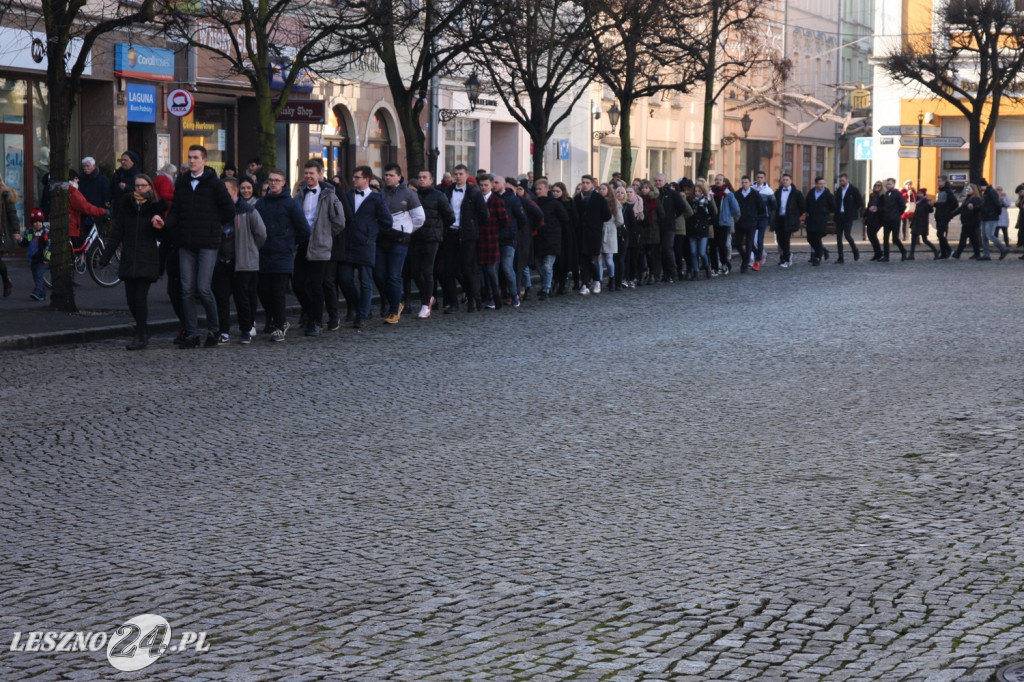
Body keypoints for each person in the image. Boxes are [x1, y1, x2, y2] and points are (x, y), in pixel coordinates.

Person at [154, 144, 235, 348]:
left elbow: (228, 211)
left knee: (203, 288)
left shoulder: (214, 184)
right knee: (186, 289)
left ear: (204, 161)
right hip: (186, 242)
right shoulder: (181, 182)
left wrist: (213, 226)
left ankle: (215, 330)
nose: (191, 161)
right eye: (189, 157)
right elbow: (176, 212)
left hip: (207, 242)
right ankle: (192, 333)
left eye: (196, 157)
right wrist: (166, 223)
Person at [97, 174, 166, 350]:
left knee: (140, 298)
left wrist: (159, 226)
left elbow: (163, 234)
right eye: (137, 186)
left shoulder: (156, 206)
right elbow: (117, 233)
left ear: (150, 187)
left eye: (143, 185)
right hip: (129, 258)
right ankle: (143, 329)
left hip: (147, 258)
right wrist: (105, 257)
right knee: (130, 299)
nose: (140, 189)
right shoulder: (127, 204)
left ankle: (140, 334)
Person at [292, 159, 346, 336]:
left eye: (311, 173)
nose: (308, 176)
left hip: (320, 244)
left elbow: (339, 222)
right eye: (306, 173)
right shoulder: (299, 193)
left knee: (317, 285)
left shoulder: (329, 195)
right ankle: (311, 312)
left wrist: (325, 234)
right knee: (298, 284)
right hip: (302, 242)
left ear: (320, 173)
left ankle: (316, 321)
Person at [256, 168, 308, 340]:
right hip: (264, 253)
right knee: (263, 291)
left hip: (283, 254)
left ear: (284, 183)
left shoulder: (291, 203)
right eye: (271, 180)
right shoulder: (261, 204)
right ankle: (276, 319)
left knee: (278, 292)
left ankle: (280, 324)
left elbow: (304, 230)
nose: (273, 183)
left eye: (277, 180)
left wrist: (289, 243)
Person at [340, 165, 391, 327]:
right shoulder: (348, 196)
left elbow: (387, 222)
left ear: (366, 179)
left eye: (357, 177)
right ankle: (359, 305)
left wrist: (372, 233)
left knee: (365, 282)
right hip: (348, 244)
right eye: (353, 177)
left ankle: (361, 316)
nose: (353, 180)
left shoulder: (376, 198)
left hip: (366, 245)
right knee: (345, 279)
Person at [220, 177, 266, 344]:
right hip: (222, 259)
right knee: (222, 296)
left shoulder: (247, 210)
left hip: (242, 260)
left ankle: (245, 329)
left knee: (242, 296)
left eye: (225, 190)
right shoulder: (218, 209)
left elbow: (261, 233)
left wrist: (250, 249)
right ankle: (223, 330)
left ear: (234, 191)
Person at [376, 163, 424, 323]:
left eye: (391, 175)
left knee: (394, 275)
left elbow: (419, 218)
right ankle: (396, 303)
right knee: (380, 275)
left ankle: (393, 310)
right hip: (382, 239)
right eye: (386, 175)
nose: (387, 177)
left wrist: (407, 231)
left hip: (399, 240)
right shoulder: (380, 193)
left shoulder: (409, 194)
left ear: (399, 177)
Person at [443, 165, 486, 312]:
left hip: (467, 235)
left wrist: (471, 225)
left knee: (467, 269)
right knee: (449, 270)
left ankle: (473, 299)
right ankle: (453, 303)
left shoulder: (474, 192)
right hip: (451, 233)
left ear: (467, 175)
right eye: (456, 174)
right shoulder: (448, 190)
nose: (458, 176)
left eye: (461, 174)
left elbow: (483, 214)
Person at [412, 169, 454, 319]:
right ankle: (428, 296)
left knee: (427, 271)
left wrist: (439, 230)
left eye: (424, 177)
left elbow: (450, 217)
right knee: (415, 272)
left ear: (431, 180)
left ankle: (425, 305)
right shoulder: (414, 195)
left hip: (432, 238)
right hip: (415, 237)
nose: (421, 180)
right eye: (419, 177)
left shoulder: (439, 196)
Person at [575, 175, 612, 293]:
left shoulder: (599, 198)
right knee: (583, 260)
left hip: (594, 233)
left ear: (592, 184)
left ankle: (596, 280)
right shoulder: (577, 199)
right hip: (581, 233)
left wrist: (596, 221)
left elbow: (607, 215)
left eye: (587, 182)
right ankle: (585, 283)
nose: (584, 185)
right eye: (583, 182)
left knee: (593, 260)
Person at [476, 174, 509, 309]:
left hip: (491, 238)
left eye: (486, 185)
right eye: (481, 185)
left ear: (491, 186)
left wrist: (495, 231)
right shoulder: (476, 199)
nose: (483, 188)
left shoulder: (497, 201)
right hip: (478, 239)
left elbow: (505, 222)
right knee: (480, 271)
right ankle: (484, 297)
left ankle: (495, 297)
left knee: (491, 271)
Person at [493, 175, 525, 306]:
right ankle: (495, 296)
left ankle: (514, 294)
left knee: (507, 268)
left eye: (496, 182)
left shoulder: (512, 199)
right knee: (493, 270)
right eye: (493, 182)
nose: (494, 184)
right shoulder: (491, 199)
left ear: (504, 184)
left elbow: (522, 219)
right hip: (493, 238)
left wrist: (513, 231)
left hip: (508, 239)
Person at [533, 179, 567, 300]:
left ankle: (545, 289)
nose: (537, 191)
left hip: (552, 239)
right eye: (536, 189)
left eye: (540, 189)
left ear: (547, 189)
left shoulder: (555, 204)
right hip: (538, 239)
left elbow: (564, 219)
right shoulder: (535, 202)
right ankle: (548, 284)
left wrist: (554, 229)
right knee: (539, 266)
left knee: (547, 266)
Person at [653, 173, 687, 282]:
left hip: (669, 226)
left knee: (668, 248)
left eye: (660, 181)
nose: (658, 183)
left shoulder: (672, 193)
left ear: (665, 181)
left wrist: (673, 216)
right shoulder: (654, 194)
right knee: (659, 250)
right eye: (656, 181)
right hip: (657, 226)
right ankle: (665, 274)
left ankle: (674, 272)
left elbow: (682, 206)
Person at [513, 181, 542, 300]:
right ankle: (525, 286)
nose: (518, 191)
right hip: (519, 235)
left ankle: (525, 287)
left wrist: (532, 228)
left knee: (523, 264)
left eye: (520, 189)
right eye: (517, 189)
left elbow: (539, 216)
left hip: (526, 235)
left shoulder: (528, 202)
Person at [551, 182, 580, 295]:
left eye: (557, 191)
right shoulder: (551, 202)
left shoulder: (568, 202)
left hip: (567, 235)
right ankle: (556, 282)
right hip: (554, 234)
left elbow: (575, 219)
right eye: (553, 191)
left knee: (564, 260)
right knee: (555, 261)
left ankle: (563, 282)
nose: (555, 193)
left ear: (563, 191)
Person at [734, 176, 767, 273]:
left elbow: (762, 207)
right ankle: (746, 258)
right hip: (739, 222)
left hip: (751, 223)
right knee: (738, 244)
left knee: (749, 244)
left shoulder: (755, 194)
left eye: (746, 182)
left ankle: (744, 265)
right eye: (743, 182)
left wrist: (755, 217)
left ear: (750, 183)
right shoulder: (737, 194)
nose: (744, 184)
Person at [14, 208, 48, 301]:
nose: (37, 224)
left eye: (39, 221)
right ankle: (42, 294)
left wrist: (47, 258)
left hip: (42, 259)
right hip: (33, 259)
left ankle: (37, 292)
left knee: (39, 275)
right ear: (32, 223)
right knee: (36, 276)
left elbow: (48, 246)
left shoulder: (45, 233)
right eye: (35, 222)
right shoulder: (30, 232)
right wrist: (19, 239)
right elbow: (25, 243)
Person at [711, 175, 739, 275]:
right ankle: (714, 267)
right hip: (712, 223)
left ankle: (724, 264)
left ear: (723, 181)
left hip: (723, 223)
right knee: (712, 246)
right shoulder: (711, 193)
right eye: (716, 180)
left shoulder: (728, 194)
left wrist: (727, 215)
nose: (718, 181)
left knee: (722, 245)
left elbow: (736, 208)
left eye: (720, 180)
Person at [687, 180, 716, 279]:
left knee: (702, 252)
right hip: (693, 230)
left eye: (699, 191)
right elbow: (688, 215)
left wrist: (707, 224)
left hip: (703, 229)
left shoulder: (706, 202)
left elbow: (713, 216)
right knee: (693, 252)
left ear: (702, 192)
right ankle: (695, 271)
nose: (697, 193)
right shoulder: (691, 202)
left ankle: (707, 267)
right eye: (695, 191)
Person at [774, 173, 804, 268]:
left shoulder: (796, 193)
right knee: (779, 239)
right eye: (784, 180)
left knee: (786, 239)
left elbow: (802, 206)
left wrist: (796, 215)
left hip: (789, 219)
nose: (785, 181)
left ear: (791, 181)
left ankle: (787, 259)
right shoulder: (778, 192)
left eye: (787, 180)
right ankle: (787, 255)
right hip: (779, 218)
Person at [803, 176, 834, 266]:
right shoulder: (811, 192)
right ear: (816, 184)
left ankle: (817, 257)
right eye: (820, 183)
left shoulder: (827, 194)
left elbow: (833, 206)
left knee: (817, 238)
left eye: (823, 183)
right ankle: (822, 249)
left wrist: (825, 211)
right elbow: (807, 204)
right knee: (809, 238)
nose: (822, 185)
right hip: (811, 218)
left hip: (821, 219)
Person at [77, 157, 110, 240]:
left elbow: (107, 195)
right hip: (84, 214)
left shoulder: (102, 180)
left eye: (87, 166)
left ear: (94, 166)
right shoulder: (80, 180)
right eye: (84, 166)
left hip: (97, 214)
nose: (85, 168)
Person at [598, 183, 622, 291]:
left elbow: (620, 220)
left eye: (604, 189)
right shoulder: (596, 201)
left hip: (610, 231)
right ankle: (599, 280)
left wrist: (611, 227)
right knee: (598, 258)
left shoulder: (615, 203)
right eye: (600, 189)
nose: (601, 191)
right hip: (598, 230)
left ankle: (612, 278)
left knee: (608, 259)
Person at [977, 178, 1009, 260]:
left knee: (989, 235)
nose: (979, 189)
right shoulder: (986, 193)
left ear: (983, 186)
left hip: (991, 217)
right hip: (985, 217)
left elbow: (997, 204)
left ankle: (1003, 248)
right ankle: (986, 255)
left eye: (980, 187)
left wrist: (995, 214)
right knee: (984, 236)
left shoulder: (991, 193)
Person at [834, 173, 862, 263]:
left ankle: (855, 250)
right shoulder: (839, 190)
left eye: (843, 180)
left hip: (848, 216)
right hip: (839, 216)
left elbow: (859, 202)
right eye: (840, 181)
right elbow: (836, 202)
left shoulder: (853, 190)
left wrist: (852, 210)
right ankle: (840, 257)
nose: (841, 182)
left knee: (847, 235)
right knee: (838, 237)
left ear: (847, 179)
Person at [752, 170, 777, 266]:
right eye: (758, 177)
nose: (759, 179)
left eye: (761, 177)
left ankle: (757, 260)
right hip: (753, 217)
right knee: (751, 241)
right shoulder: (751, 188)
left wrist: (768, 211)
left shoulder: (768, 190)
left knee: (759, 240)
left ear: (764, 179)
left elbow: (774, 204)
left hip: (763, 217)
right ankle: (759, 254)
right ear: (755, 178)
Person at [0, 175, 20, 297]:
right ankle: (6, 281)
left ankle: (6, 281)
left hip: (1, 232)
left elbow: (12, 213)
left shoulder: (5, 193)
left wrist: (16, 230)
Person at [879, 178, 907, 262]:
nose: (888, 185)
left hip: (895, 219)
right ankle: (886, 256)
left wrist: (897, 214)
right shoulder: (886, 194)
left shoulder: (897, 194)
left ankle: (903, 251)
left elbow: (903, 206)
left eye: (890, 184)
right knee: (885, 238)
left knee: (895, 239)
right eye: (887, 184)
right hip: (887, 219)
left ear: (894, 184)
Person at [952, 183, 982, 260]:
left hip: (971, 221)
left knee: (964, 237)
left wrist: (973, 207)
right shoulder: (967, 198)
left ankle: (958, 253)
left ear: (974, 190)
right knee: (973, 238)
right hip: (966, 221)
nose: (967, 190)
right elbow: (961, 209)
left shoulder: (975, 199)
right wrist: (951, 215)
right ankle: (976, 253)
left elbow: (977, 209)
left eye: (969, 189)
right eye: (966, 189)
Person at [907, 188, 938, 260]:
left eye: (921, 193)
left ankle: (936, 251)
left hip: (922, 223)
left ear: (924, 194)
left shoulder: (925, 201)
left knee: (925, 240)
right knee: (913, 239)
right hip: (916, 222)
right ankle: (911, 255)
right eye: (918, 193)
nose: (919, 194)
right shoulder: (918, 202)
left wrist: (930, 205)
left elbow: (931, 210)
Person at [110, 150, 141, 217]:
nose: (122, 162)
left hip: (130, 210)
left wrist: (127, 188)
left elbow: (140, 192)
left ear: (132, 162)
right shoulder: (118, 173)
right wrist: (108, 199)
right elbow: (111, 188)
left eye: (125, 160)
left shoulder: (137, 176)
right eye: (121, 160)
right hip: (118, 210)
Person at [863, 181, 884, 261]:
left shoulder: (882, 196)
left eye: (879, 185)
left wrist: (877, 209)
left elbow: (884, 207)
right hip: (870, 217)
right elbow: (869, 205)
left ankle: (879, 253)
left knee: (873, 235)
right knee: (870, 236)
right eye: (876, 185)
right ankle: (876, 253)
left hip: (878, 218)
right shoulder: (872, 195)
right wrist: (864, 215)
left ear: (881, 187)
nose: (877, 186)